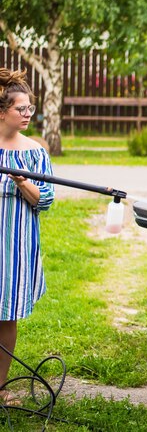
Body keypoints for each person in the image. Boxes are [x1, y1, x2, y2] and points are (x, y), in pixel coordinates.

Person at [0, 68, 54, 404]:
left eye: (31, 108)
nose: (27, 114)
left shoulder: (34, 152)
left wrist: (24, 183)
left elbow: (46, 200)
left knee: (5, 314)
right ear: (2, 111)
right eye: (21, 109)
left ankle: (0, 388)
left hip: (15, 248)